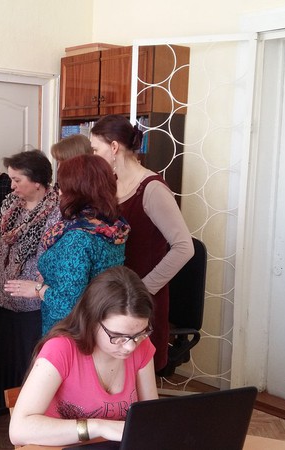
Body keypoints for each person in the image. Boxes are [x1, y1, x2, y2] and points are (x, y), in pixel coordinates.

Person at [8, 266, 158, 447]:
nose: (130, 346)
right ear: (91, 320)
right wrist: (99, 427)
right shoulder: (61, 349)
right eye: (118, 336)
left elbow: (151, 417)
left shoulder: (141, 346)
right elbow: (18, 431)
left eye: (140, 334)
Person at [90, 115, 194, 375]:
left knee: (138, 374)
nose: (93, 156)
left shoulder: (152, 189)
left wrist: (144, 288)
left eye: (96, 149)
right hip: (114, 296)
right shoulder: (110, 185)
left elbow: (184, 247)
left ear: (114, 147)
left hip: (140, 299)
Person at [6, 154, 130, 334]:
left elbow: (67, 304)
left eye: (61, 186)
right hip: (100, 321)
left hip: (70, 332)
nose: (59, 192)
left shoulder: (78, 237)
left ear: (77, 191)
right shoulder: (112, 226)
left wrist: (38, 289)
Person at [0, 150, 60, 407]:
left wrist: (37, 288)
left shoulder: (57, 212)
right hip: (3, 300)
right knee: (4, 358)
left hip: (34, 306)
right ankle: (5, 408)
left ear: (37, 181)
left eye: (17, 180)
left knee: (30, 363)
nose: (11, 185)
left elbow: (54, 263)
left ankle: (27, 411)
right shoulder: (9, 205)